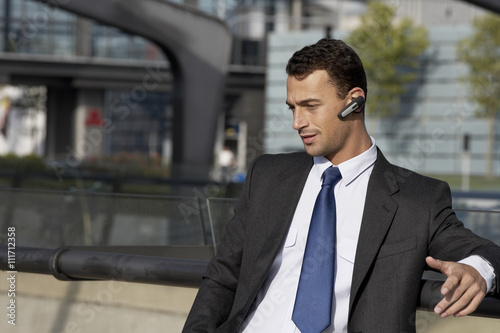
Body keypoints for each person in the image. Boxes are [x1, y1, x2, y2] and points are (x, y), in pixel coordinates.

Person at [183, 38, 500, 333]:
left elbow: (487, 253)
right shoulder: (268, 176)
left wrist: (478, 272)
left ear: (354, 103)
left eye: (310, 106)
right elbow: (223, 276)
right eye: (293, 108)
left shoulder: (417, 199)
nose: (297, 123)